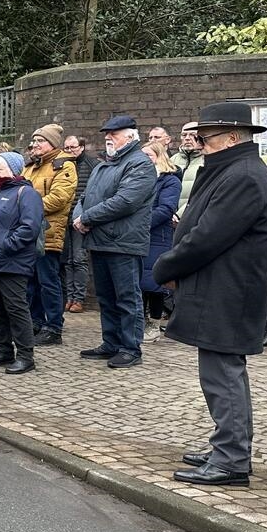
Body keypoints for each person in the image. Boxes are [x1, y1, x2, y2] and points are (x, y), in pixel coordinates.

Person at [153, 101, 267, 486]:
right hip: (221, 288)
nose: (198, 145)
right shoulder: (233, 171)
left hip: (229, 292)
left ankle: (231, 460)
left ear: (231, 137)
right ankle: (226, 446)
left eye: (205, 138)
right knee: (220, 375)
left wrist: (166, 267)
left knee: (223, 376)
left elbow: (208, 237)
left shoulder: (242, 176)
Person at [71, 115, 156, 368]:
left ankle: (130, 348)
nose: (108, 137)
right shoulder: (104, 165)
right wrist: (79, 216)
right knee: (106, 297)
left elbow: (126, 201)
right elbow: (85, 196)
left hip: (124, 242)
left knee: (127, 298)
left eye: (114, 133)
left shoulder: (139, 164)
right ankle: (111, 343)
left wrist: (87, 218)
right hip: (99, 240)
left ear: (130, 136)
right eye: (107, 133)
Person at [0, 152, 44, 375]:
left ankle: (26, 355)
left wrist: (7, 245)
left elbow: (29, 227)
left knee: (16, 309)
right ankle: (4, 349)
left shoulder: (27, 194)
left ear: (14, 170)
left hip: (12, 262)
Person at [24, 124, 76, 345]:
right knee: (31, 281)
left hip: (48, 232)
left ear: (52, 144)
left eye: (40, 141)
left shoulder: (63, 165)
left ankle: (53, 326)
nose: (35, 145)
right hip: (29, 231)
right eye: (34, 141)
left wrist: (26, 208)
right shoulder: (32, 166)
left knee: (48, 281)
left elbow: (59, 198)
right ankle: (35, 321)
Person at [139, 141, 182, 343]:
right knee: (138, 282)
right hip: (139, 236)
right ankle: (140, 321)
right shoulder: (138, 178)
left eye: (149, 155)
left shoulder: (170, 181)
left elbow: (166, 209)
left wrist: (140, 224)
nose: (145, 158)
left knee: (153, 283)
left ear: (159, 156)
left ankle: (154, 324)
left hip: (158, 236)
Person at [61, 135, 95, 312]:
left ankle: (78, 299)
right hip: (64, 217)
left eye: (73, 147)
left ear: (81, 147)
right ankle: (69, 296)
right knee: (67, 260)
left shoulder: (91, 165)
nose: (69, 151)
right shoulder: (63, 164)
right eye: (66, 148)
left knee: (79, 259)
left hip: (80, 219)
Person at [172, 123, 203, 212]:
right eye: (184, 135)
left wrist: (180, 214)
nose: (187, 138)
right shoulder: (172, 160)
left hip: (194, 215)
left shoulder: (207, 160)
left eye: (193, 135)